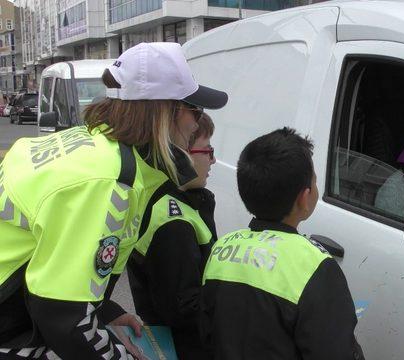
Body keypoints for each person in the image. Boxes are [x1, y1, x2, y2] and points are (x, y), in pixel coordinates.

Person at [0, 42, 227, 359]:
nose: (195, 124)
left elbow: (57, 256)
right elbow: (61, 314)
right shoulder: (107, 180)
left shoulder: (93, 143)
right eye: (195, 111)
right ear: (167, 113)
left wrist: (104, 310)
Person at [199, 127, 365, 360]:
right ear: (304, 197)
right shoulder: (315, 266)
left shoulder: (222, 248)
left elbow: (206, 333)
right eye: (315, 182)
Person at [127, 113, 217, 359]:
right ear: (181, 154)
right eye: (207, 151)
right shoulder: (173, 223)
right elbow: (183, 308)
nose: (214, 160)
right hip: (184, 349)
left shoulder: (173, 202)